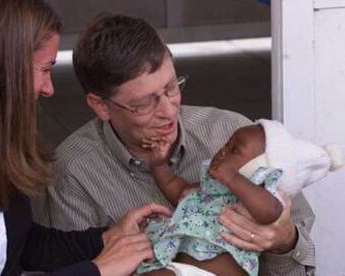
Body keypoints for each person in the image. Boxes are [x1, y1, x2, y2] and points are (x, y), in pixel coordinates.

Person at [33, 13, 316, 275]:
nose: (169, 111)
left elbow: (303, 266)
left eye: (171, 87)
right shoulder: (73, 171)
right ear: (101, 106)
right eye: (144, 103)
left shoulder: (234, 134)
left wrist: (284, 242)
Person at [0, 1, 172, 276]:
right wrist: (99, 270)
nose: (49, 89)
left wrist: (107, 239)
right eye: (45, 70)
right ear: (2, 70)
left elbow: (19, 244)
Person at [138, 119, 341, 275]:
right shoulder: (210, 190)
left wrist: (233, 178)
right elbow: (179, 191)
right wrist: (159, 166)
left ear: (263, 166)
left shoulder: (261, 195)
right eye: (226, 145)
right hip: (181, 269)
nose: (222, 152)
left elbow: (271, 212)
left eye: (235, 150)